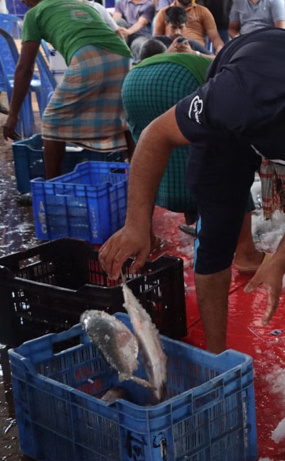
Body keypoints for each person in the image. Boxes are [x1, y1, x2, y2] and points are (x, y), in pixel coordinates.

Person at [99, 28, 285, 381]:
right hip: (234, 128)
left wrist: (279, 260)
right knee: (218, 228)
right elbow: (156, 134)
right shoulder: (237, 96)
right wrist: (137, 225)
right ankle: (216, 357)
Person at [122, 42, 263, 272]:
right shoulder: (235, 71)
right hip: (179, 80)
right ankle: (246, 252)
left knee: (148, 150)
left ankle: (146, 237)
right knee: (233, 161)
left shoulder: (170, 60)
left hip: (132, 81)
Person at [2, 0, 135, 180]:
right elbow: (117, 37)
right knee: (123, 117)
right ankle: (137, 178)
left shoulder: (34, 14)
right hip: (124, 58)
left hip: (89, 58)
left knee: (52, 121)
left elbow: (25, 68)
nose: (22, 2)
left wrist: (12, 115)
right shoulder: (81, 5)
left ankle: (52, 186)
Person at [153, 0, 223, 54]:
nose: (178, 32)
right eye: (174, 27)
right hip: (171, 50)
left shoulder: (203, 11)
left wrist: (220, 48)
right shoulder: (164, 13)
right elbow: (156, 42)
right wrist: (168, 52)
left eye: (180, 27)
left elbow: (215, 38)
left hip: (197, 51)